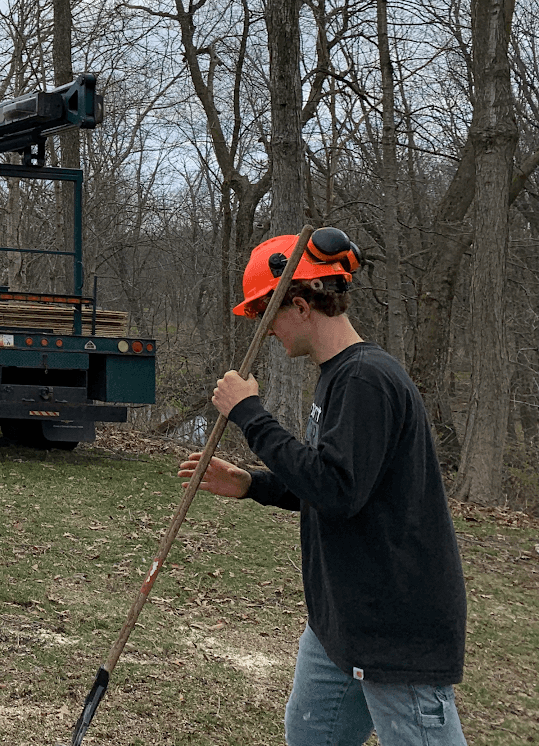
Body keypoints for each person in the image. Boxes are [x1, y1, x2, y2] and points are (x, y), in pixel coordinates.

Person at [179, 229, 467, 746]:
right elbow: (337, 484)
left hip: (394, 629)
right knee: (312, 734)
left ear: (300, 304)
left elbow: (336, 490)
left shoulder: (366, 379)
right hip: (342, 623)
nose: (267, 334)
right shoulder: (338, 376)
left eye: (267, 319)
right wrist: (252, 485)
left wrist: (250, 415)